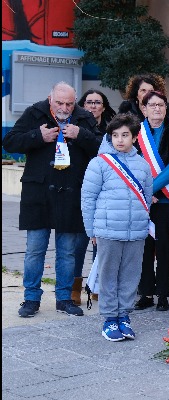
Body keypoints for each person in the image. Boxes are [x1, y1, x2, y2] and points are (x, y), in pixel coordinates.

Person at [3, 81, 101, 318]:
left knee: (67, 251)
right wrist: (38, 136)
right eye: (60, 103)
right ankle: (31, 298)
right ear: (50, 99)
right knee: (34, 250)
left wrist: (82, 135)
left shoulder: (85, 117)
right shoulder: (34, 112)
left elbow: (101, 149)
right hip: (38, 193)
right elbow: (10, 142)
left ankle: (64, 298)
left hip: (71, 193)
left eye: (69, 103)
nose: (65, 108)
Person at [81, 113, 153, 341]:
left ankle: (124, 316)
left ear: (134, 137)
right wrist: (91, 230)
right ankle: (110, 319)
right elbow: (88, 198)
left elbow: (147, 197)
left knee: (131, 275)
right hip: (108, 230)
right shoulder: (99, 163)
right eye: (115, 135)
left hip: (136, 232)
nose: (120, 140)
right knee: (109, 275)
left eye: (125, 135)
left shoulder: (142, 165)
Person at [133, 91, 169, 312]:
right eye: (152, 105)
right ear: (143, 109)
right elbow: (129, 163)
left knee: (165, 248)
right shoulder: (135, 132)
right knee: (143, 249)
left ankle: (163, 294)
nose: (157, 109)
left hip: (165, 201)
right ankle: (145, 292)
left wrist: (149, 188)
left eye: (161, 105)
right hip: (141, 202)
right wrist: (144, 193)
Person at [72, 89, 117, 305]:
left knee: (101, 243)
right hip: (81, 189)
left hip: (106, 192)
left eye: (97, 102)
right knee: (79, 241)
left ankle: (98, 284)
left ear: (104, 106)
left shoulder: (111, 130)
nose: (93, 106)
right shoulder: (73, 126)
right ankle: (76, 287)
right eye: (88, 102)